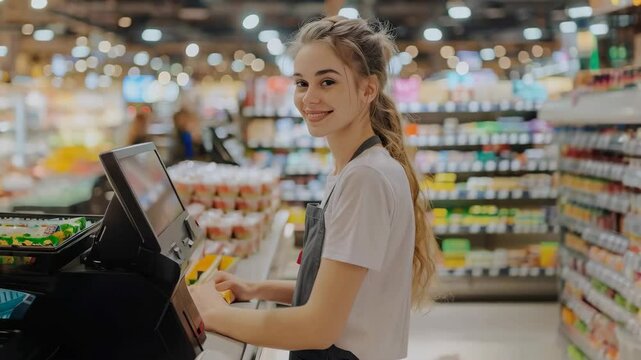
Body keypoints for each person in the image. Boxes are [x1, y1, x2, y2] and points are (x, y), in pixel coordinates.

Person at [189, 16, 438, 360]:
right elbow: (338, 294)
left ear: (368, 89)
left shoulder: (364, 179)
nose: (310, 98)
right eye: (302, 83)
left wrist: (215, 315)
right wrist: (253, 288)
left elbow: (317, 328)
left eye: (328, 82)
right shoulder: (357, 168)